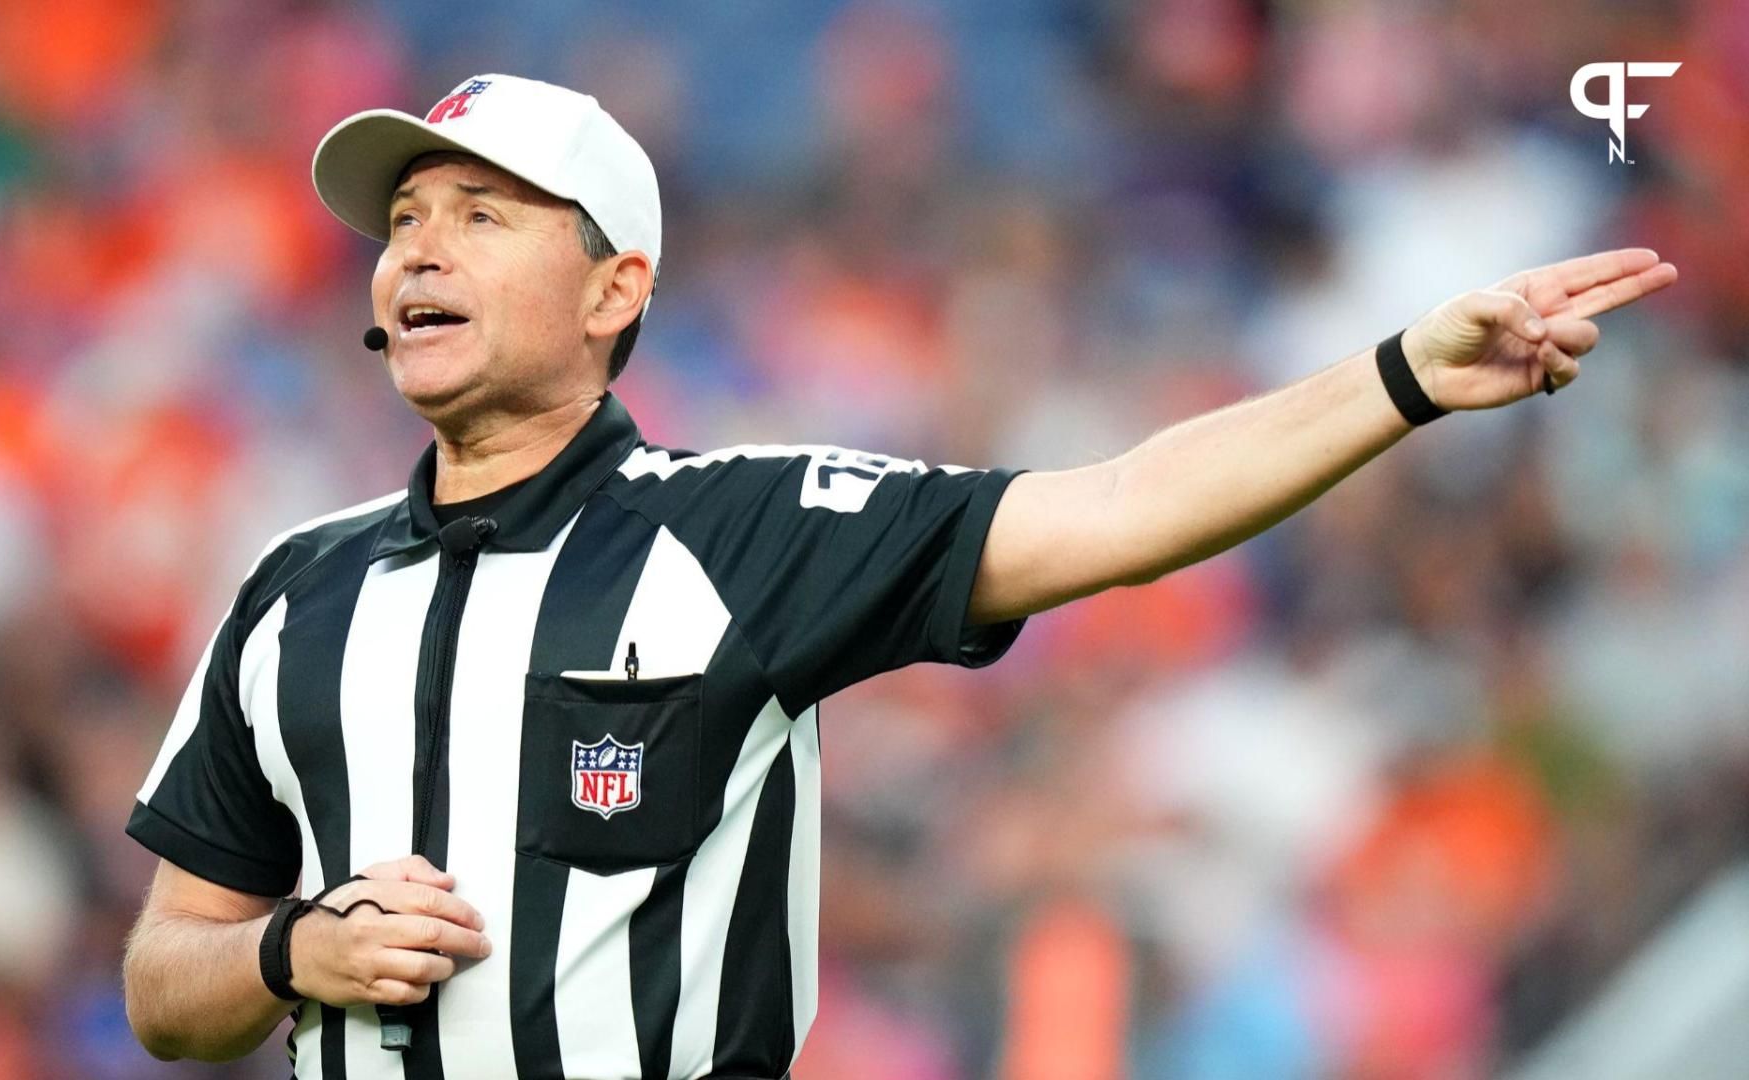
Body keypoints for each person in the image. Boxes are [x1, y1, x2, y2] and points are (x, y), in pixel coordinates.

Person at [118, 73, 1677, 1080]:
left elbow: (1119, 506)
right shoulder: (292, 589)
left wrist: (1401, 372)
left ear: (616, 290)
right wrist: (291, 950)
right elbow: (165, 979)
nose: (419, 251)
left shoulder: (743, 528)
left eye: (481, 213)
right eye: (403, 223)